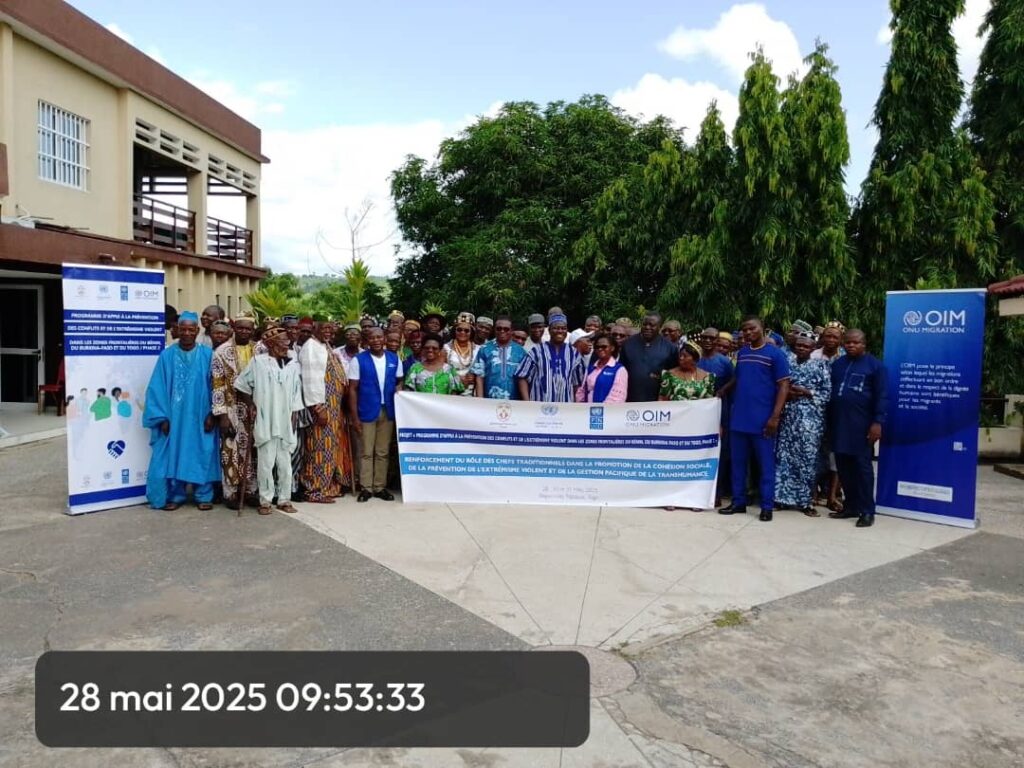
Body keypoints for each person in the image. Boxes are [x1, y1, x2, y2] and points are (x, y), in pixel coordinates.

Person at [142, 312, 220, 510]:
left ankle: (204, 496)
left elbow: (217, 386)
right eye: (182, 329)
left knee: (202, 451)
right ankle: (176, 496)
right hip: (175, 418)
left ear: (197, 331)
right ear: (177, 330)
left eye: (190, 329)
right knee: (175, 453)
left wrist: (213, 413)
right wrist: (162, 417)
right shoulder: (166, 356)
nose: (186, 333)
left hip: (201, 415)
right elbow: (156, 388)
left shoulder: (208, 355)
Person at [718, 316, 790, 522]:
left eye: (752, 329)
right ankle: (738, 502)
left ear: (763, 330)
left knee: (765, 464)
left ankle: (767, 506)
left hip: (763, 419)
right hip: (739, 416)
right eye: (744, 330)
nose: (748, 333)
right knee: (738, 463)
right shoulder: (743, 353)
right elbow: (738, 377)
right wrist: (723, 390)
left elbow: (784, 385)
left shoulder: (775, 354)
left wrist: (775, 416)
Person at [233, 326, 304, 515]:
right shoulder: (258, 362)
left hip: (286, 420)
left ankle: (284, 499)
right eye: (282, 342)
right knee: (265, 463)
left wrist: (295, 416)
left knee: (285, 463)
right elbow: (241, 385)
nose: (286, 345)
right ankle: (265, 501)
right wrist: (251, 405)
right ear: (271, 344)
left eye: (287, 342)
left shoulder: (293, 364)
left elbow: (297, 392)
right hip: (265, 418)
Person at [828, 329, 887, 528]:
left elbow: (882, 397)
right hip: (839, 424)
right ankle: (850, 506)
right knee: (843, 469)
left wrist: (877, 423)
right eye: (848, 343)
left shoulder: (876, 367)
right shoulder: (837, 364)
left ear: (864, 344)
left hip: (862, 427)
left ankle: (867, 510)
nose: (851, 346)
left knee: (862, 470)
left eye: (856, 343)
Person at [774, 333, 832, 515]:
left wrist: (807, 392)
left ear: (812, 348)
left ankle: (806, 501)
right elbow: (778, 386)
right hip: (788, 418)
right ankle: (781, 498)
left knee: (807, 460)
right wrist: (788, 394)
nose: (801, 349)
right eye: (799, 345)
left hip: (810, 421)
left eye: (805, 346)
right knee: (784, 458)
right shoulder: (787, 363)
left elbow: (827, 394)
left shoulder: (820, 366)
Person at [299, 321, 352, 503]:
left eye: (331, 329)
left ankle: (329, 486)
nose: (328, 332)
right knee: (319, 447)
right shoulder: (311, 347)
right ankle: (315, 489)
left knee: (331, 446)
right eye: (324, 329)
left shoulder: (324, 345)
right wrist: (318, 407)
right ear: (315, 330)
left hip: (334, 407)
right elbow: (311, 379)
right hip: (322, 408)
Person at [349, 327, 404, 502]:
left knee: (382, 451)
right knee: (366, 451)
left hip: (387, 411)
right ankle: (366, 487)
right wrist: (355, 417)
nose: (376, 340)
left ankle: (380, 486)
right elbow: (352, 389)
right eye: (372, 338)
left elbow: (399, 382)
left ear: (385, 338)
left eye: (379, 337)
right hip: (366, 411)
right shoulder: (358, 360)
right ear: (366, 340)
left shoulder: (394, 358)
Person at [211, 311, 258, 509]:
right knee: (230, 450)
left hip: (253, 408)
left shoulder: (260, 351)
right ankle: (231, 492)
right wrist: (221, 415)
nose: (244, 331)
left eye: (248, 328)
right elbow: (218, 384)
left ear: (253, 329)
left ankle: (249, 490)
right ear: (234, 329)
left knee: (253, 450)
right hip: (230, 408)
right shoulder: (221, 352)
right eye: (240, 328)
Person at [515, 314, 585, 402]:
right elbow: (522, 376)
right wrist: (527, 402)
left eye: (563, 328)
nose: (560, 331)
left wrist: (576, 406)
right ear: (549, 330)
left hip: (565, 408)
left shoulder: (574, 353)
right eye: (556, 328)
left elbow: (577, 384)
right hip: (539, 408)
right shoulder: (537, 351)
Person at [618, 313, 679, 402]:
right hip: (631, 398)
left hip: (657, 401)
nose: (647, 327)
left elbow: (673, 374)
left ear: (660, 327)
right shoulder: (628, 344)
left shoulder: (670, 348)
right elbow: (621, 371)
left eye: (652, 325)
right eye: (645, 324)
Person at [473, 315, 527, 399]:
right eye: (499, 328)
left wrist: (526, 402)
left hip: (515, 403)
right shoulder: (485, 349)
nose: (502, 331)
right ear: (494, 330)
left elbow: (523, 379)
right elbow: (479, 377)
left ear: (512, 331)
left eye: (506, 329)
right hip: (489, 401)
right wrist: (480, 400)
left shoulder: (520, 351)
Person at [576, 332, 627, 403]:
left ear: (612, 348)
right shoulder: (591, 368)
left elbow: (617, 397)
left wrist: (601, 411)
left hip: (609, 411)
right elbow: (582, 390)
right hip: (587, 411)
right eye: (597, 347)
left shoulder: (619, 370)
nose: (600, 349)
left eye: (604, 346)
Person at [444, 313, 479, 397]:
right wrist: (457, 378)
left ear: (471, 333)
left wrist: (474, 377)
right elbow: (441, 370)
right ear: (454, 331)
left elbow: (481, 371)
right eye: (459, 329)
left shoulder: (479, 349)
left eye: (466, 330)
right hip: (450, 391)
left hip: (471, 392)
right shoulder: (445, 348)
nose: (462, 332)